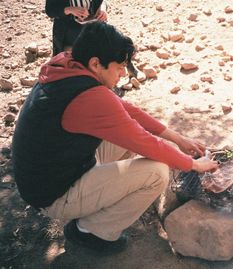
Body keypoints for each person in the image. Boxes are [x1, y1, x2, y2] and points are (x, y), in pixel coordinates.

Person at [12, 22, 218, 254]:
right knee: (157, 172)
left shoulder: (67, 64)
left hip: (45, 176)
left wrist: (178, 139)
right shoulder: (89, 96)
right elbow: (146, 142)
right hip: (53, 196)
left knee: (124, 134)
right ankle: (90, 231)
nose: (123, 73)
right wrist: (193, 165)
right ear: (96, 64)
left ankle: (97, 201)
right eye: (120, 67)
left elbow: (127, 111)